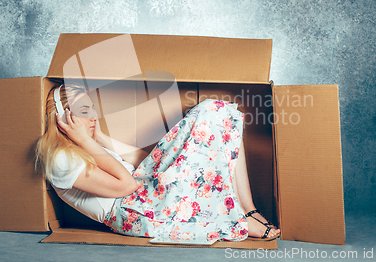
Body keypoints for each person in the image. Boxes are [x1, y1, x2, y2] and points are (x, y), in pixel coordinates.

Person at [35, 83, 280, 242]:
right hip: (135, 209)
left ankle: (247, 209)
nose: (94, 117)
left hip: (147, 190)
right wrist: (88, 142)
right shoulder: (60, 158)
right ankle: (239, 220)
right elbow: (126, 187)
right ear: (63, 116)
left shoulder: (89, 145)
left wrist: (99, 138)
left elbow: (143, 161)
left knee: (217, 112)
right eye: (85, 111)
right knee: (210, 113)